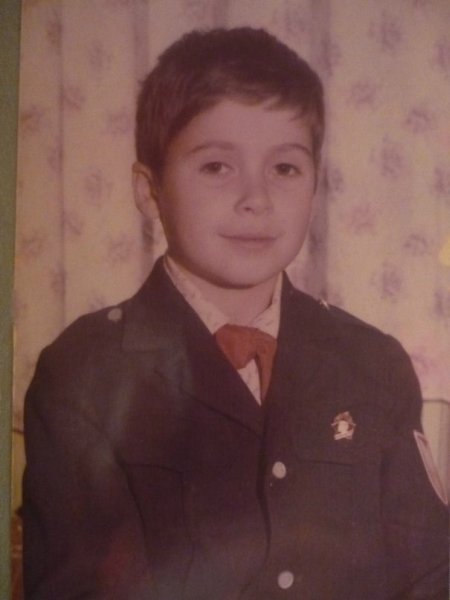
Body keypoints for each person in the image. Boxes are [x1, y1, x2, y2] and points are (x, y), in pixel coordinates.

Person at [22, 27, 448, 599]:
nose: (256, 199)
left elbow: (430, 575)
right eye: (217, 167)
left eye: (285, 168)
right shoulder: (83, 373)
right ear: (149, 191)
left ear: (316, 185)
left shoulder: (373, 362)